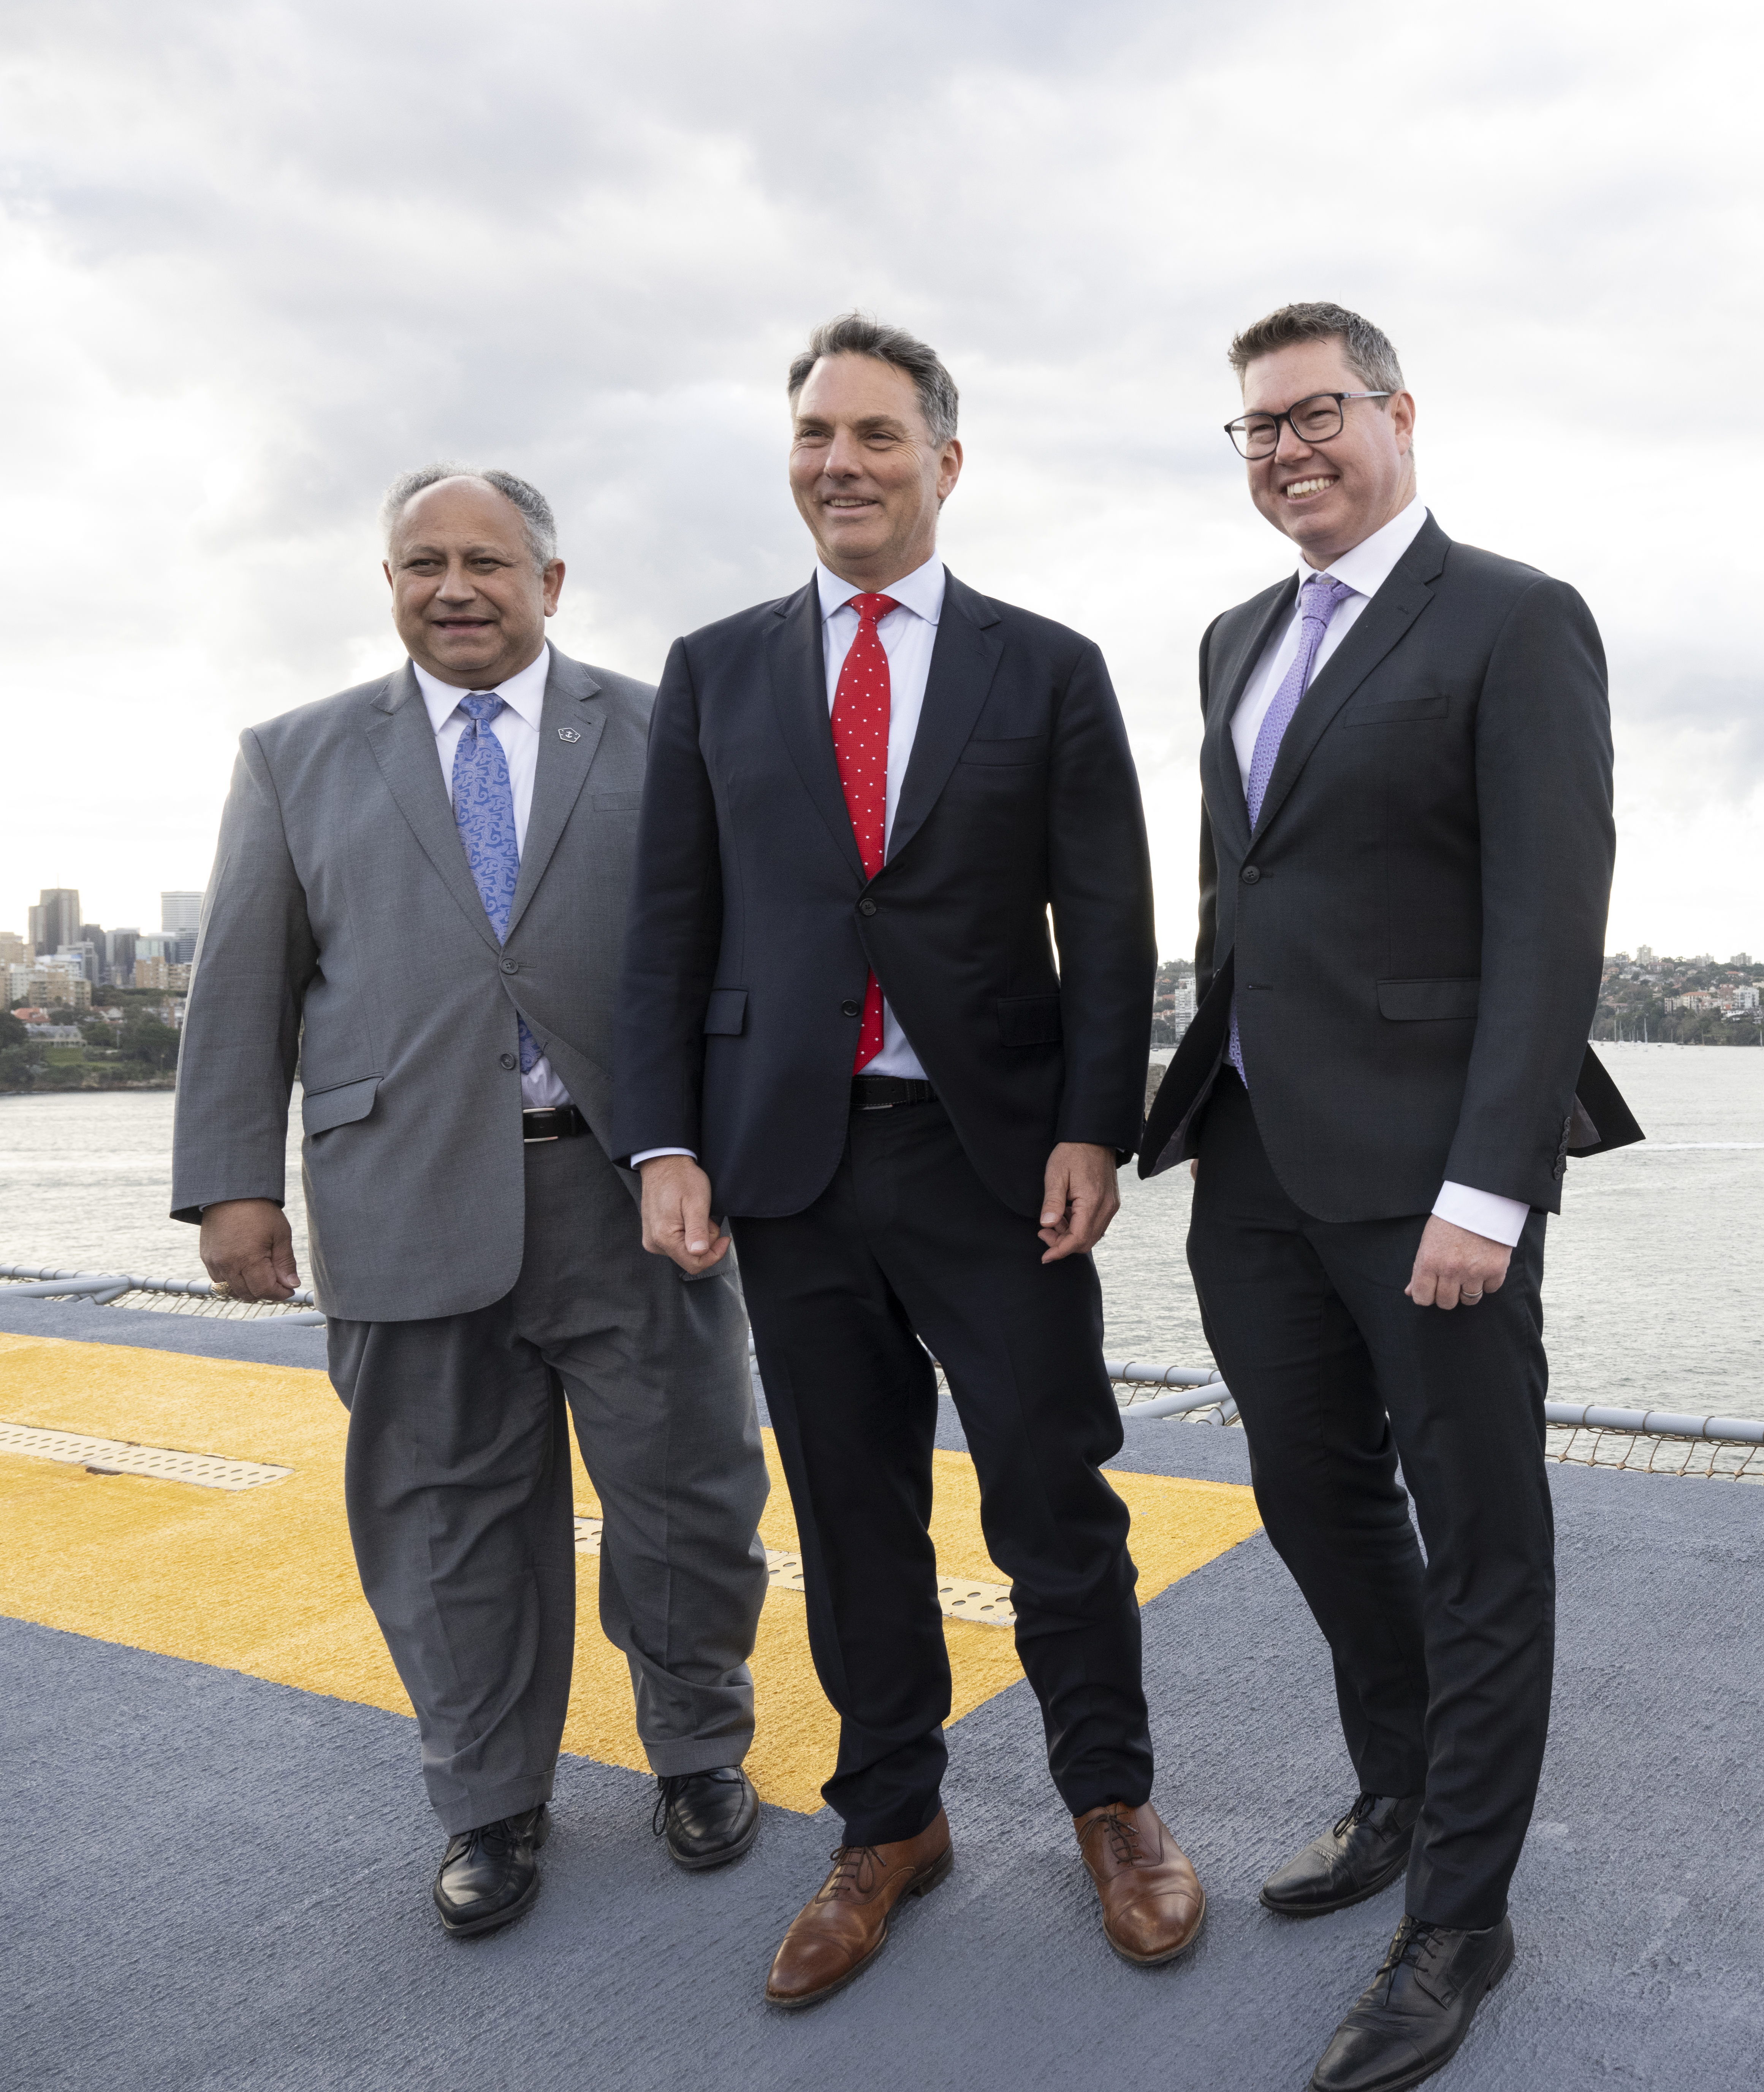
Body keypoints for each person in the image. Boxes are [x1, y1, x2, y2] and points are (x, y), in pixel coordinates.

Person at [617, 314, 1199, 2009]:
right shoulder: (716, 670)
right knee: (849, 1513)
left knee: (1052, 1498)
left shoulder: (1047, 666)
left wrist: (1096, 1121)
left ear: (946, 461)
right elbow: (670, 927)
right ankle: (890, 1822)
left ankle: (1112, 1800)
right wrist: (667, 1140)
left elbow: (1112, 922)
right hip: (788, 1165)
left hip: (992, 1157)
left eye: (877, 435)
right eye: (815, 434)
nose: (841, 463)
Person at [1138, 302, 1639, 2092]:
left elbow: (1550, 922)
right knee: (1311, 1493)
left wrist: (1491, 1186)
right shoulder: (1230, 639)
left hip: (1435, 1177)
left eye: (1315, 413)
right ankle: (1403, 1780)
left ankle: (1462, 1916)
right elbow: (1244, 894)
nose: (1286, 448)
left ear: (1399, 417)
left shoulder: (1514, 618)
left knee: (1483, 1529)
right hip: (1257, 1157)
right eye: (1255, 428)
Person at [173, 466, 769, 1939]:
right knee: (442, 1517)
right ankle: (488, 1799)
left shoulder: (663, 731)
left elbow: (743, 963)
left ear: (551, 582)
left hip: (634, 1189)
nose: (457, 586)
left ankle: (698, 1749)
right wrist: (234, 1187)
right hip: (401, 1197)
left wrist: (740, 1151)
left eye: (489, 562)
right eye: (423, 561)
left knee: (689, 1491)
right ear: (388, 581)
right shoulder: (295, 754)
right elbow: (242, 984)